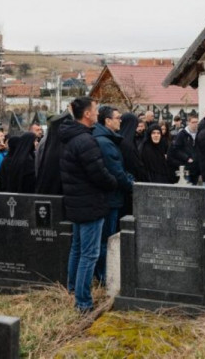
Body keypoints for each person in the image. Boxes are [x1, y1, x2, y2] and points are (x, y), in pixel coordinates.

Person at [60, 97, 118, 313]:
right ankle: (83, 302)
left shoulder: (69, 137)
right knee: (89, 253)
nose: (97, 113)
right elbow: (98, 173)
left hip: (77, 201)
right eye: (95, 110)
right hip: (89, 202)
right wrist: (113, 183)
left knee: (77, 248)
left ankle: (73, 288)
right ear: (86, 114)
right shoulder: (85, 141)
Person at [92, 105, 134, 285]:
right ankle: (103, 276)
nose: (120, 121)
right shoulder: (105, 142)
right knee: (106, 239)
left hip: (110, 197)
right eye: (117, 118)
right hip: (109, 198)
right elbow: (116, 171)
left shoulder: (107, 139)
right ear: (107, 121)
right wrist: (132, 185)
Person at [168, 112, 199, 183]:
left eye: (196, 122)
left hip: (196, 167)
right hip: (186, 167)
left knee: (195, 190)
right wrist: (186, 158)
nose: (195, 124)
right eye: (193, 122)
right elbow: (176, 149)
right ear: (188, 122)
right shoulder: (182, 134)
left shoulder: (199, 133)